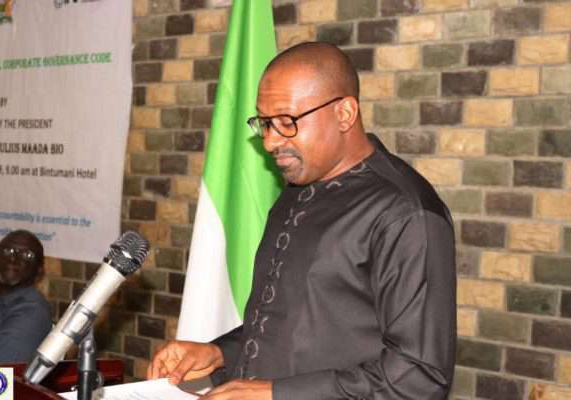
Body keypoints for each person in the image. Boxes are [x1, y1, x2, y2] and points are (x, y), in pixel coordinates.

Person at [148, 42, 456, 400]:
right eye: (265, 124)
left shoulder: (404, 212)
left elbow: (419, 376)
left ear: (344, 113)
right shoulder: (297, 188)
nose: (269, 142)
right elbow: (292, 326)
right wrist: (218, 353)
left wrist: (274, 394)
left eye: (287, 122)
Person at [0, 229, 52, 363]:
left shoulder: (33, 312)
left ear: (39, 270)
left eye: (26, 255)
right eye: (7, 251)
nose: (13, 259)